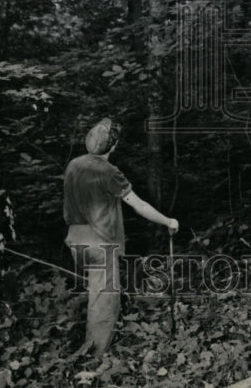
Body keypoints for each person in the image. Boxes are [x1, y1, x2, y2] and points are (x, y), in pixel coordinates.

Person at [63, 116, 179, 355]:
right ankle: (95, 361)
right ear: (113, 145)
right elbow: (139, 205)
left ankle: (84, 345)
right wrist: (168, 221)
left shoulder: (73, 165)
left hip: (75, 240)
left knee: (95, 294)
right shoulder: (110, 172)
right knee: (104, 305)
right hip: (100, 245)